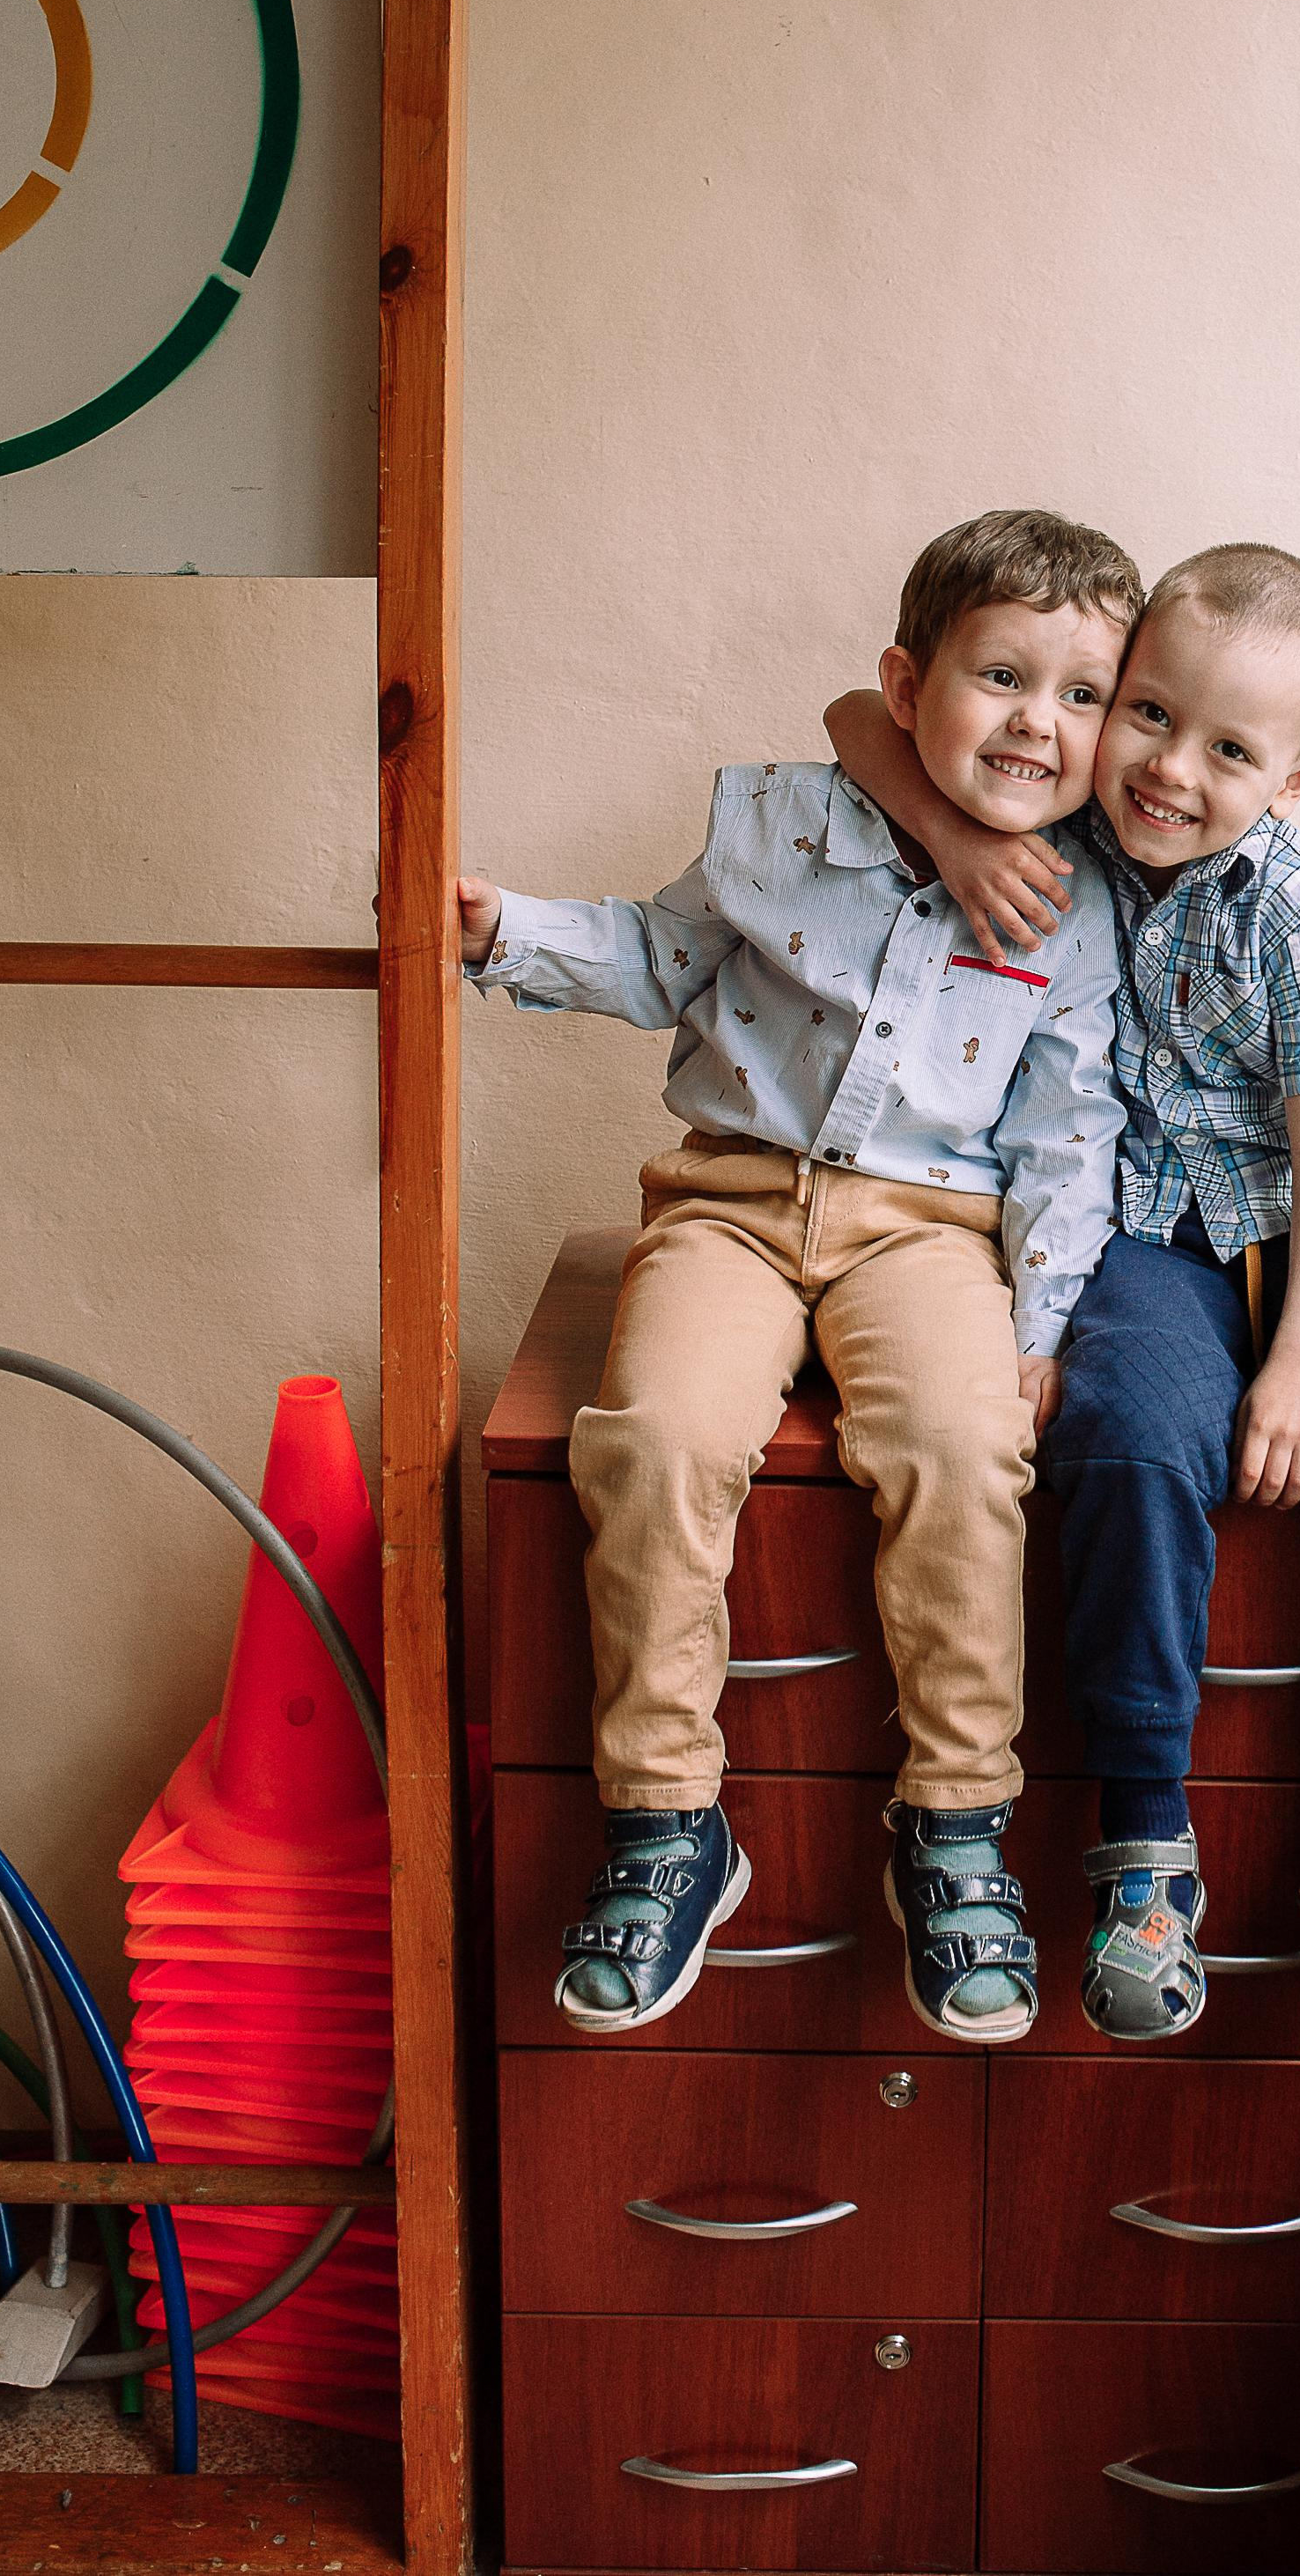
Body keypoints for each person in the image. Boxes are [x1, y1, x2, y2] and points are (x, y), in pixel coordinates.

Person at [464, 509, 1139, 2044]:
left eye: (1082, 693)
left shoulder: (1082, 903)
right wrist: (504, 929)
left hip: (930, 1230)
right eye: (1001, 676)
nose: (1040, 722)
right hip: (731, 1205)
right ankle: (666, 1821)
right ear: (908, 687)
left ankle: (956, 1821)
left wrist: (1037, 1328)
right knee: (656, 1443)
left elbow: (1067, 1134)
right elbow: (658, 959)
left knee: (968, 1452)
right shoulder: (776, 822)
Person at [827, 542, 1300, 2041]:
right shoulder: (1056, 816)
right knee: (1125, 1447)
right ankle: (1144, 1841)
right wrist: (948, 841)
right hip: (1143, 1228)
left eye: (1230, 750)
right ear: (1117, 690)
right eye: (1147, 715)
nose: (1167, 771)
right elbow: (850, 717)